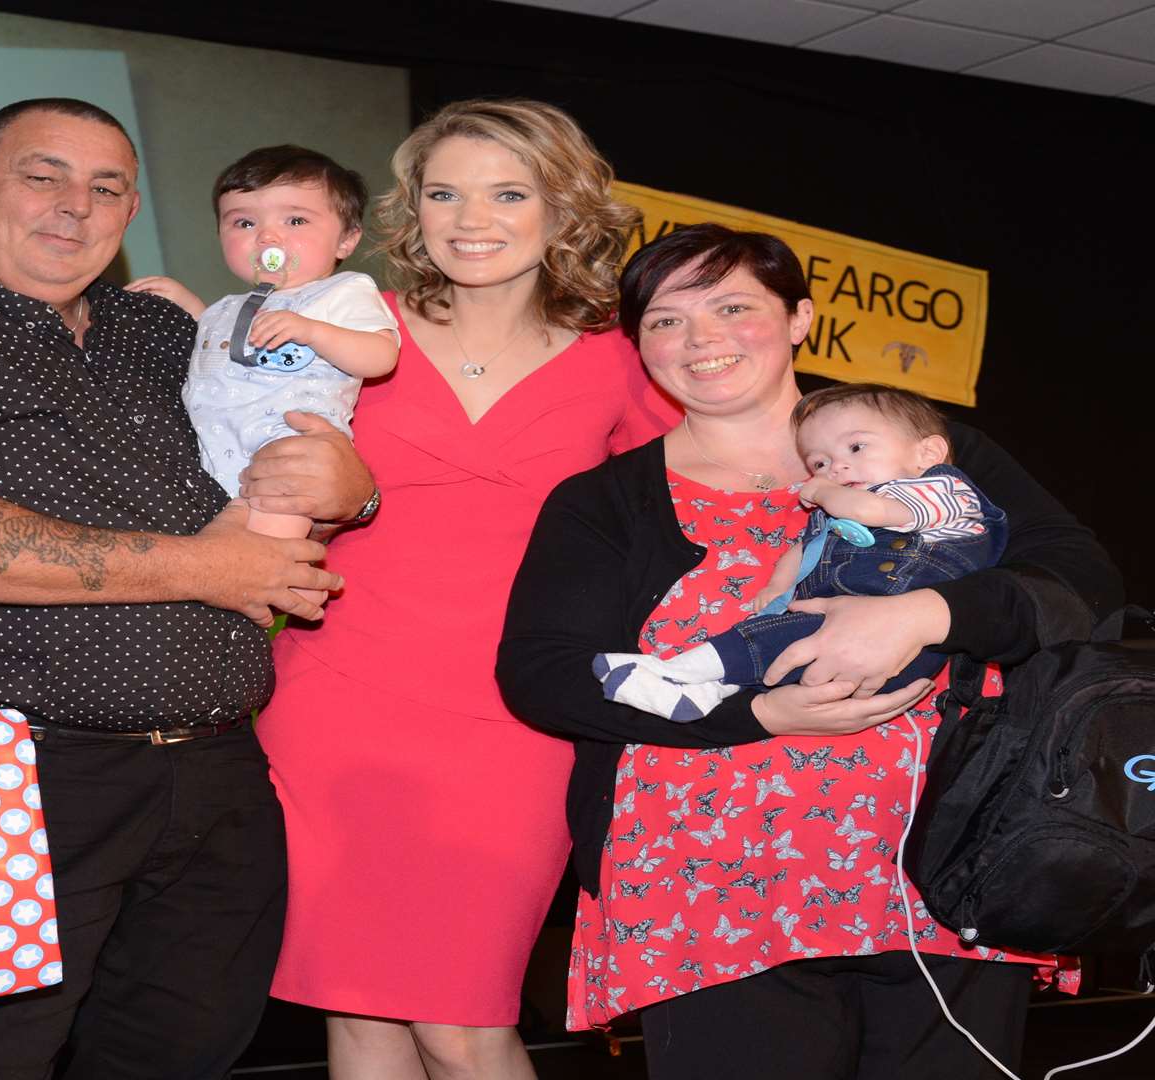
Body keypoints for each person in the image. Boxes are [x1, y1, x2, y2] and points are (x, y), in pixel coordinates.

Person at [0, 98, 371, 1080]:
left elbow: (279, 458)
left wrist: (348, 491)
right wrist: (203, 567)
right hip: (0, 775)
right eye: (43, 175)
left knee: (182, 1052)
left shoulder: (157, 328)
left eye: (106, 187)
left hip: (215, 774)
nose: (76, 207)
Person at [496, 224, 1120, 1080]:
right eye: (666, 321)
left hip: (943, 869)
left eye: (732, 307)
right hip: (708, 892)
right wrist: (757, 713)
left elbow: (1083, 584)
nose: (701, 339)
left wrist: (926, 613)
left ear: (799, 318)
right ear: (638, 347)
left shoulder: (924, 447)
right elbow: (543, 675)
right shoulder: (605, 501)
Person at [251, 99, 676, 1080]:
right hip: (335, 703)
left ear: (562, 209)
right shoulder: (350, 323)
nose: (469, 217)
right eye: (443, 192)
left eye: (506, 192)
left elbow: (685, 527)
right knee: (357, 1014)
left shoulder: (623, 360)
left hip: (517, 723)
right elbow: (250, 463)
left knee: (464, 1018)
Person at [598, 382, 1006, 721]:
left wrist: (825, 492)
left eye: (857, 448)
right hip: (836, 639)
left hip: (896, 655)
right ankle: (703, 695)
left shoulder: (942, 491)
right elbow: (804, 551)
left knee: (771, 640)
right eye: (820, 462)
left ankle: (674, 671)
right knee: (773, 642)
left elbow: (873, 512)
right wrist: (778, 587)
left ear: (927, 453)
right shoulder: (836, 511)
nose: (837, 469)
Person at [128, 144, 398, 561]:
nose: (267, 236)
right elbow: (222, 348)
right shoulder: (230, 305)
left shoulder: (342, 291)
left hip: (286, 443)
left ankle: (273, 585)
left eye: (295, 220)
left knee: (268, 553)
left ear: (346, 239)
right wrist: (189, 305)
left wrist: (313, 331)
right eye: (244, 222)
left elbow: (381, 356)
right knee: (216, 551)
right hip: (215, 446)